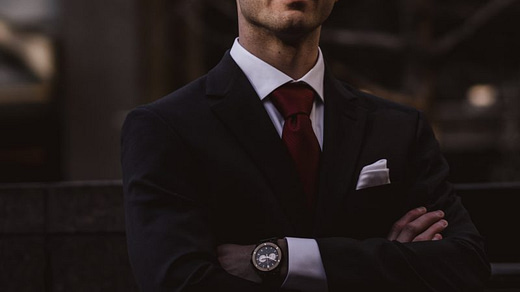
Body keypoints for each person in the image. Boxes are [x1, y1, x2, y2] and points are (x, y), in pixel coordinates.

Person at [121, 0, 490, 291]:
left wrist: (281, 259)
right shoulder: (165, 128)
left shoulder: (399, 127)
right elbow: (178, 283)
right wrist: (388, 266)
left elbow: (465, 266)